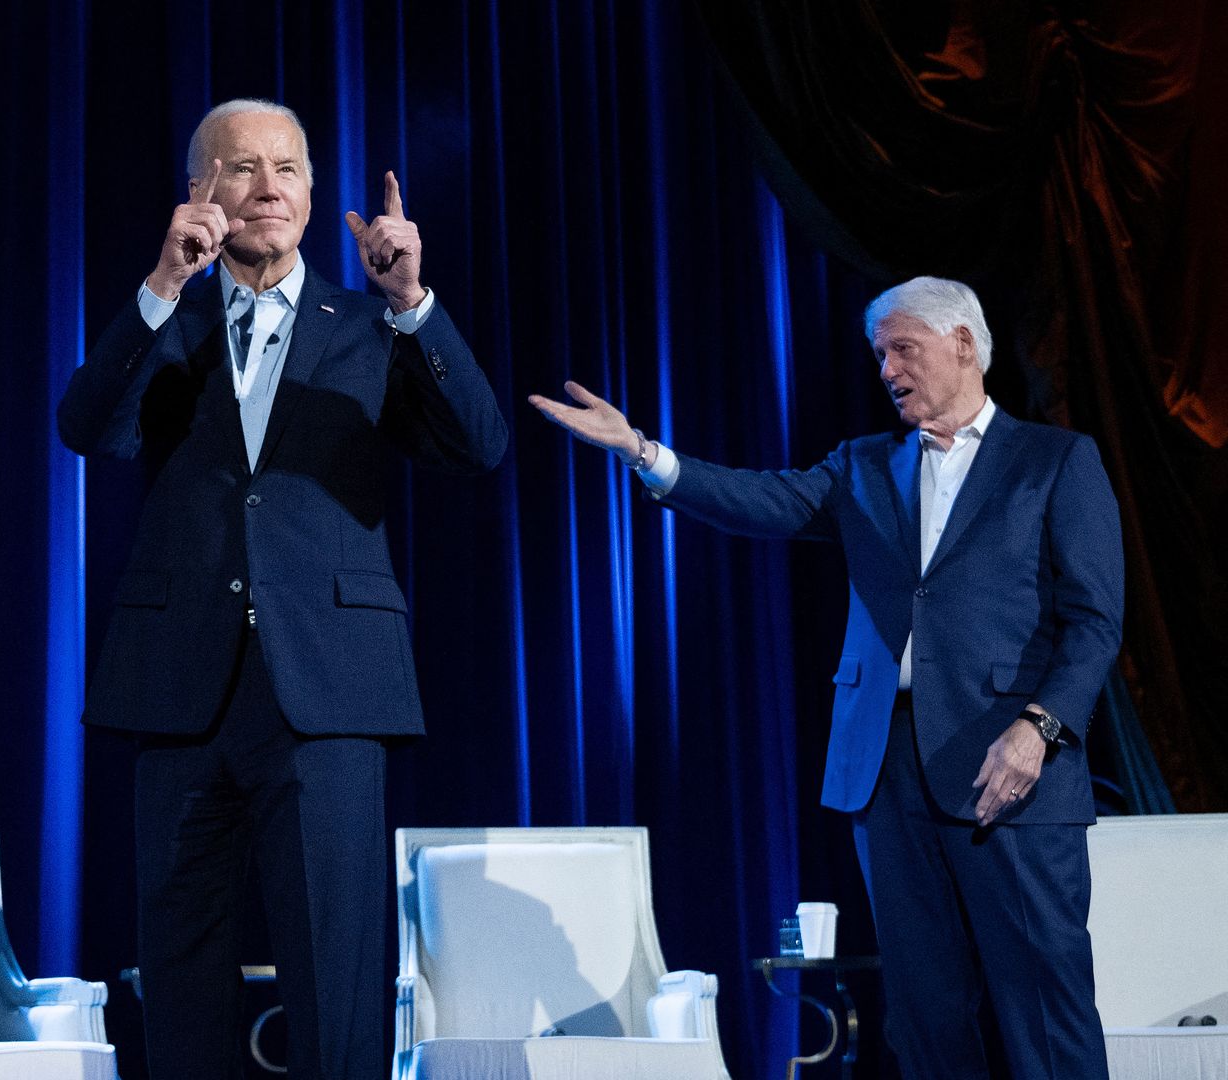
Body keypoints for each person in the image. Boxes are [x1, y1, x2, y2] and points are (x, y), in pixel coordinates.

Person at [530, 276, 1123, 1079]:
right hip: (886, 769)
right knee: (925, 1017)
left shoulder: (1055, 461)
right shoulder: (864, 467)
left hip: (1011, 767)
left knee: (1043, 1006)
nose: (886, 369)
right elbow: (761, 500)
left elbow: (1095, 623)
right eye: (879, 354)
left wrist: (1041, 728)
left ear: (962, 344)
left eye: (902, 348)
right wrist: (642, 449)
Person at [58, 98, 507, 1080]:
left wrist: (414, 302)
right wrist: (163, 283)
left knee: (334, 974)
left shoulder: (368, 324)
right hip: (181, 688)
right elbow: (86, 426)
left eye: (288, 169)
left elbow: (480, 443)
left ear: (310, 192)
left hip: (329, 688)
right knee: (179, 973)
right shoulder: (165, 320)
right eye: (242, 168)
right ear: (199, 192)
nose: (268, 188)